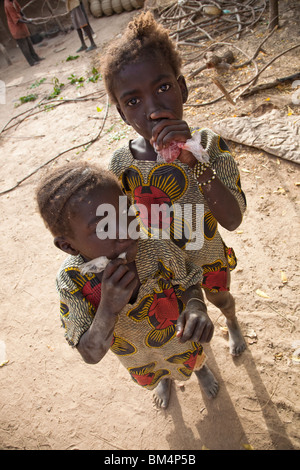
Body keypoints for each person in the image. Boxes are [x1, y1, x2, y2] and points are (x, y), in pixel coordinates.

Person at [101, 12, 247, 357]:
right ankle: (188, 361)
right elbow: (124, 229)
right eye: (133, 101)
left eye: (163, 88)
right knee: (180, 324)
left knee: (220, 297)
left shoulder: (209, 145)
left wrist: (193, 161)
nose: (153, 111)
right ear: (122, 113)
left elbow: (233, 220)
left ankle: (232, 320)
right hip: (162, 270)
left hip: (208, 255)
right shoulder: (122, 165)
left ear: (182, 87)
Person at [36, 161, 219, 409]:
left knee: (191, 358)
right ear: (69, 246)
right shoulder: (72, 281)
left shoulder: (154, 243)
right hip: (139, 357)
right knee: (157, 372)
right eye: (104, 227)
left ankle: (200, 368)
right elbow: (90, 353)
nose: (126, 231)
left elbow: (188, 280)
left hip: (179, 340)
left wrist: (196, 306)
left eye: (126, 212)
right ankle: (164, 381)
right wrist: (108, 308)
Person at [4, 0, 44, 66]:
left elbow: (20, 10)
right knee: (24, 46)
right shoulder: (8, 5)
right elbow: (16, 19)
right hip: (16, 28)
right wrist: (27, 22)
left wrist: (25, 18)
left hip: (22, 26)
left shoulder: (13, 1)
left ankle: (36, 58)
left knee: (29, 43)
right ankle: (31, 62)